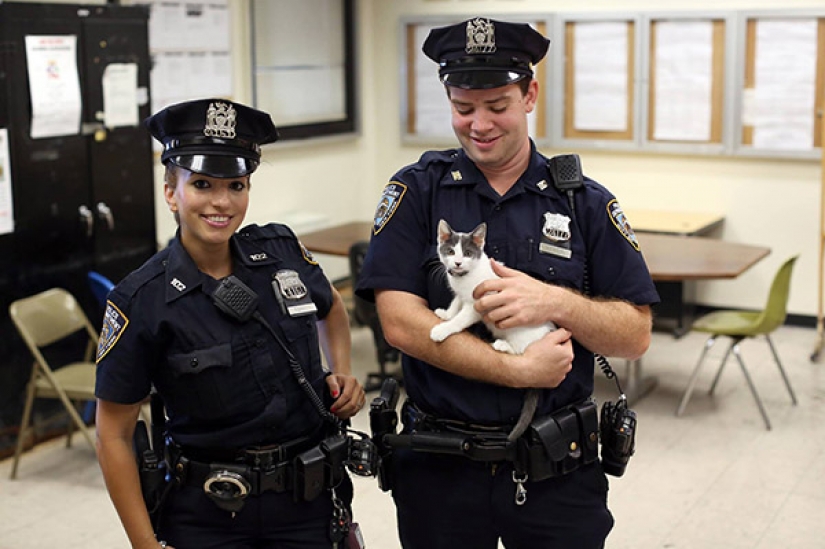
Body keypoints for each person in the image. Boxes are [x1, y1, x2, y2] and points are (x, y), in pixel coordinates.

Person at [356, 17, 659, 549]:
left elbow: (633, 334)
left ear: (529, 95)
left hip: (555, 469)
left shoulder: (582, 201)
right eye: (463, 107)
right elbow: (401, 324)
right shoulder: (418, 191)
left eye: (497, 105)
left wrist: (554, 300)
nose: (479, 124)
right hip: (440, 466)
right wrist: (517, 370)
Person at [95, 98, 366, 549]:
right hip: (208, 513)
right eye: (201, 184)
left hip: (308, 502)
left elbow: (333, 306)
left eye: (236, 185)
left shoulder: (280, 252)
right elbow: (114, 435)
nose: (221, 202)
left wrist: (342, 371)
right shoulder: (140, 301)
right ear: (170, 192)